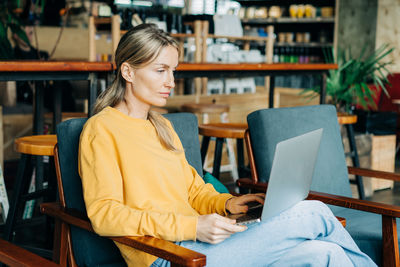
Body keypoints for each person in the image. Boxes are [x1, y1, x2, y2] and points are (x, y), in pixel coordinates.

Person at [78, 24, 376, 267]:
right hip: (171, 257)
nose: (171, 81)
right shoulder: (102, 130)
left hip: (206, 242)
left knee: (327, 255)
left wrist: (226, 203)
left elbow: (193, 190)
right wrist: (192, 228)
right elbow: (105, 215)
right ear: (128, 72)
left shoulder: (162, 126)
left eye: (173, 70)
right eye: (160, 70)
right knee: (313, 212)